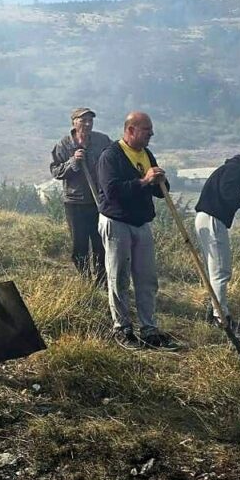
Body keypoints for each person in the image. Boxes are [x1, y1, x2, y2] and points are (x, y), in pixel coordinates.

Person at [96, 111, 177, 350]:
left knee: (146, 278)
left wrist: (160, 180)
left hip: (141, 224)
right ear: (130, 130)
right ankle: (122, 329)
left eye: (150, 130)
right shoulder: (110, 156)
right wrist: (143, 181)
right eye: (146, 130)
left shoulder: (146, 154)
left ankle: (149, 329)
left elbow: (160, 190)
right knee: (119, 276)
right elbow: (112, 191)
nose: (151, 134)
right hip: (117, 222)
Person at [194, 155, 240, 328]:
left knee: (215, 270)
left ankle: (213, 311)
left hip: (207, 218)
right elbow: (228, 194)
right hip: (213, 219)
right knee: (221, 271)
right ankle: (221, 318)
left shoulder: (232, 169)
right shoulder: (235, 170)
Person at [50, 107, 112, 283]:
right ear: (74, 122)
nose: (87, 124)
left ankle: (102, 281)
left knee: (100, 245)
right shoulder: (64, 145)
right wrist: (73, 162)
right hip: (75, 203)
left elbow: (114, 158)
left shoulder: (102, 141)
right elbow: (55, 171)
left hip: (98, 201)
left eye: (90, 120)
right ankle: (85, 280)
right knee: (80, 246)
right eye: (83, 120)